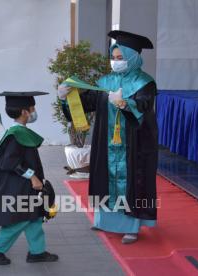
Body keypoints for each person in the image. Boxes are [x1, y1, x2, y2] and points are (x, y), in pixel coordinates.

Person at [58, 30, 158, 244]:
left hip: (134, 144)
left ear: (133, 58)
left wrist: (124, 103)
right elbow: (89, 103)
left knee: (132, 182)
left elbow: (144, 106)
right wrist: (67, 98)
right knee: (105, 178)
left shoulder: (145, 83)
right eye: (113, 58)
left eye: (120, 58)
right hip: (106, 142)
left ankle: (132, 226)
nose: (115, 62)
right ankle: (104, 221)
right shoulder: (105, 81)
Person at [0, 92, 59, 265]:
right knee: (21, 219)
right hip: (17, 186)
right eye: (32, 108)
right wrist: (33, 177)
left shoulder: (21, 132)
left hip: (25, 185)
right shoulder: (15, 135)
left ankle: (37, 252)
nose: (34, 111)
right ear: (24, 112)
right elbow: (8, 162)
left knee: (35, 217)